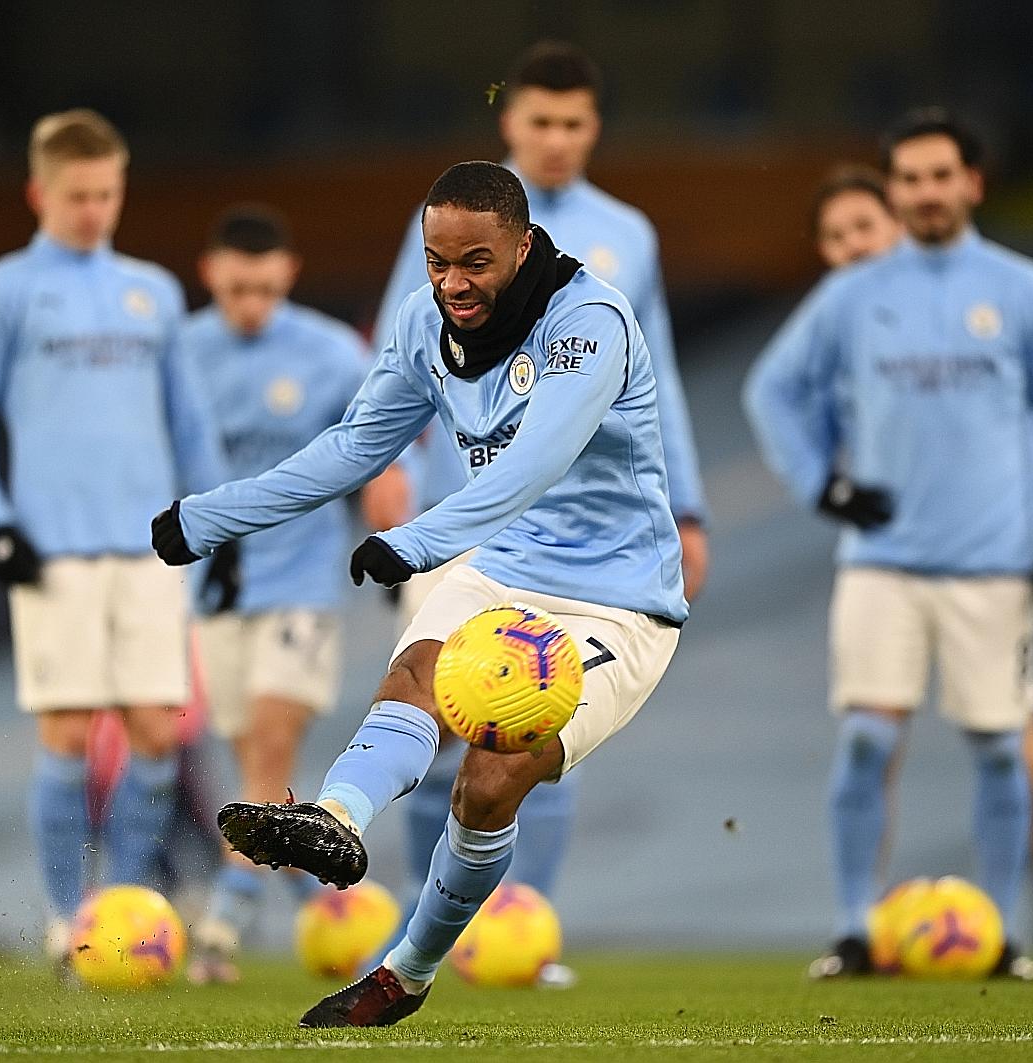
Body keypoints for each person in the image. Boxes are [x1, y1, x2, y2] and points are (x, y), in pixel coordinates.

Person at [152, 161, 686, 1026]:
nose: (452, 283)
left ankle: (407, 971)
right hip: (501, 568)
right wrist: (215, 515)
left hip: (616, 602)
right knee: (412, 678)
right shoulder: (422, 322)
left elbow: (532, 462)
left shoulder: (589, 320)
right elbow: (354, 446)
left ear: (523, 246)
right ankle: (332, 818)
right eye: (438, 262)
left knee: (490, 777)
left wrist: (418, 541)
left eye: (475, 262)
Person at [360, 42, 710, 987]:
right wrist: (388, 461)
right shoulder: (457, 223)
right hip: (462, 515)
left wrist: (685, 507)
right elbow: (401, 342)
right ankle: (423, 925)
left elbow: (659, 377)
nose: (556, 138)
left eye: (573, 123)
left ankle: (523, 925)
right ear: (509, 121)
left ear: (593, 128)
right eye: (540, 121)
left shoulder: (626, 235)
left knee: (533, 728)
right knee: (435, 722)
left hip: (587, 539)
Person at [742, 109, 1033, 983]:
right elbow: (771, 389)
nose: (926, 192)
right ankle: (854, 929)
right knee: (866, 737)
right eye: (909, 178)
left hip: (994, 565)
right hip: (882, 562)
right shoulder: (852, 295)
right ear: (894, 189)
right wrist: (822, 484)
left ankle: (1001, 934)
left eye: (941, 176)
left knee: (1002, 747)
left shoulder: (1022, 289)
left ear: (972, 182)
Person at [0, 109, 218, 975]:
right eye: (79, 195)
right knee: (65, 730)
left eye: (107, 193)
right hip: (53, 550)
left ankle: (121, 909)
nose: (95, 210)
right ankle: (66, 919)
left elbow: (190, 422)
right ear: (40, 193)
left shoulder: (152, 291)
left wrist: (220, 520)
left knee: (156, 734)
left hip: (149, 548)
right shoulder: (5, 292)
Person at [173, 205, 369, 984]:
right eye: (237, 289)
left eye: (265, 287)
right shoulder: (179, 355)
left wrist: (393, 489)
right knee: (255, 776)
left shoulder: (331, 354)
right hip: (216, 590)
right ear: (210, 274)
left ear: (288, 273)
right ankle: (329, 909)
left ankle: (221, 930)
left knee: (268, 746)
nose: (252, 303)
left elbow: (381, 438)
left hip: (301, 585)